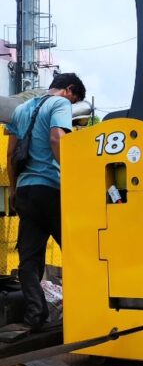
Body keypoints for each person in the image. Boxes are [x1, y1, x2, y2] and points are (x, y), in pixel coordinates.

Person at [6, 73, 86, 331]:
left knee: (29, 259)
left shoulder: (21, 109)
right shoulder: (59, 104)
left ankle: (36, 316)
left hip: (26, 190)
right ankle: (83, 311)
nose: (71, 107)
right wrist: (75, 177)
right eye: (74, 100)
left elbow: (11, 152)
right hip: (51, 188)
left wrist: (14, 188)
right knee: (78, 251)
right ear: (69, 90)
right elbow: (56, 139)